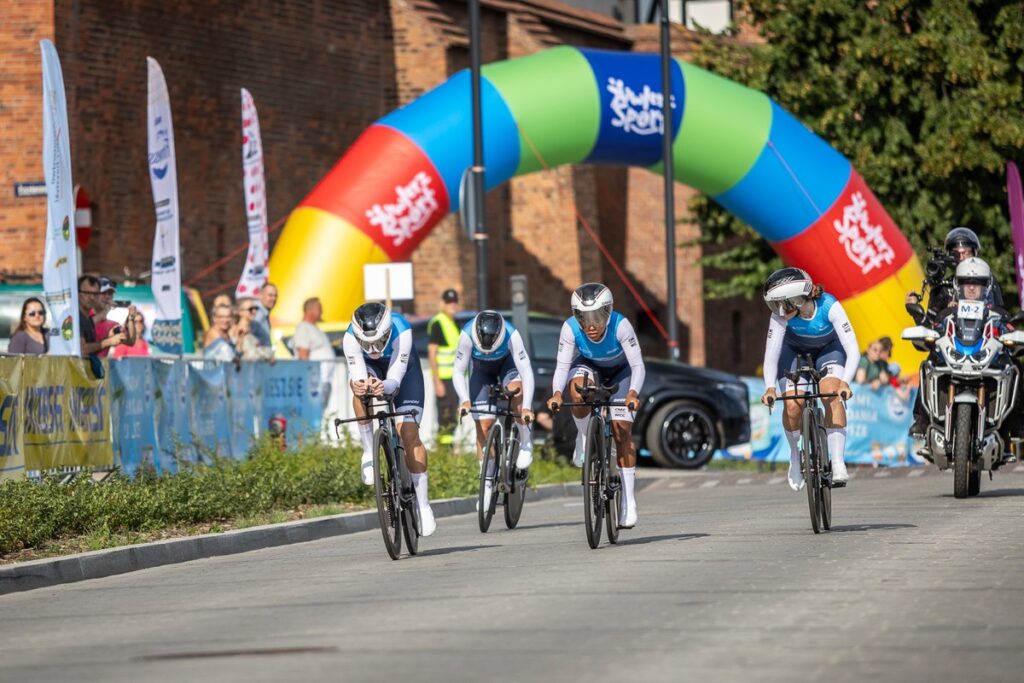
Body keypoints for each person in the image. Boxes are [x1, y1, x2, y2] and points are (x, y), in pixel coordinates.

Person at [546, 283, 645, 529]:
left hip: (621, 372)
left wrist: (633, 393)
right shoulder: (570, 328)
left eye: (597, 317)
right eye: (583, 317)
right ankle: (583, 437)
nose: (590, 325)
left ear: (608, 312)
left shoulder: (621, 325)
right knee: (577, 391)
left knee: (622, 430)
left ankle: (628, 502)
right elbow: (562, 366)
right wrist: (556, 393)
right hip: (589, 366)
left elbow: (637, 366)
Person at [759, 267, 859, 490]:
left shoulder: (829, 306)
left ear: (796, 299)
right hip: (794, 353)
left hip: (829, 350)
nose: (779, 310)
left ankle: (838, 462)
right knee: (793, 405)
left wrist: (845, 383)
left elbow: (853, 349)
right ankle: (795, 456)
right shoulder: (780, 317)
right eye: (775, 305)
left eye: (782, 304)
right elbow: (772, 354)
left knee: (831, 394)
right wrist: (770, 387)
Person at [344, 302, 435, 536]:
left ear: (387, 332)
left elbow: (394, 381)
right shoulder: (349, 338)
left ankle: (423, 505)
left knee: (409, 434)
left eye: (379, 342)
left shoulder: (402, 331)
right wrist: (361, 385)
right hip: (372, 369)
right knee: (359, 393)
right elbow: (358, 375)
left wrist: (383, 386)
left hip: (404, 373)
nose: (374, 349)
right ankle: (368, 451)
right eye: (367, 344)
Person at [452, 311, 535, 510]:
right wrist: (465, 400)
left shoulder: (512, 334)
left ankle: (525, 442)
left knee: (517, 393)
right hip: (481, 371)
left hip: (508, 366)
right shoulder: (466, 334)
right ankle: (487, 482)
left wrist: (526, 407)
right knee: (483, 426)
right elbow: (458, 371)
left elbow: (526, 372)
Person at [906, 227, 1003, 327]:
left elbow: (1002, 316)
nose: (962, 258)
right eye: (956, 254)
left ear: (975, 253)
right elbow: (930, 330)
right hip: (953, 337)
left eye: (967, 253)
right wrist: (918, 315)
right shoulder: (944, 288)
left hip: (986, 335)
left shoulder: (988, 281)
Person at [427, 288, 460, 445]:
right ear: (442, 303)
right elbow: (432, 353)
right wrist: (437, 381)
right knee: (445, 415)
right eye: (449, 302)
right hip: (444, 378)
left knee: (453, 414)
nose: (452, 304)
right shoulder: (438, 323)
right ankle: (444, 449)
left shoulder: (453, 323)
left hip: (454, 378)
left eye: (454, 301)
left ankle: (449, 447)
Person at [78, 275, 124, 358]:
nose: (92, 297)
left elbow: (90, 352)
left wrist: (108, 339)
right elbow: (82, 349)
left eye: (95, 294)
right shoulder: (73, 317)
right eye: (87, 293)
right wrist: (108, 341)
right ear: (78, 294)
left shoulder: (86, 320)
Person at [250, 282, 277, 348]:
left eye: (275, 296)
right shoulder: (257, 313)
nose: (274, 299)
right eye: (270, 295)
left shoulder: (264, 313)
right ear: (260, 295)